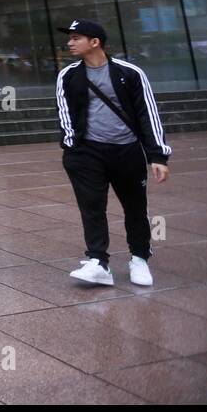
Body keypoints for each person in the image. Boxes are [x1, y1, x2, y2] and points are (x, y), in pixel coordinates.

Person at [55, 18, 170, 287]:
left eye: (76, 38)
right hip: (87, 153)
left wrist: (158, 155)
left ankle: (139, 258)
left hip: (126, 151)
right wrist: (72, 150)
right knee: (92, 207)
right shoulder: (68, 75)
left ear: (95, 42)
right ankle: (98, 262)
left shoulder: (130, 73)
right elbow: (65, 116)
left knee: (135, 207)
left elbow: (147, 114)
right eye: (69, 38)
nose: (69, 43)